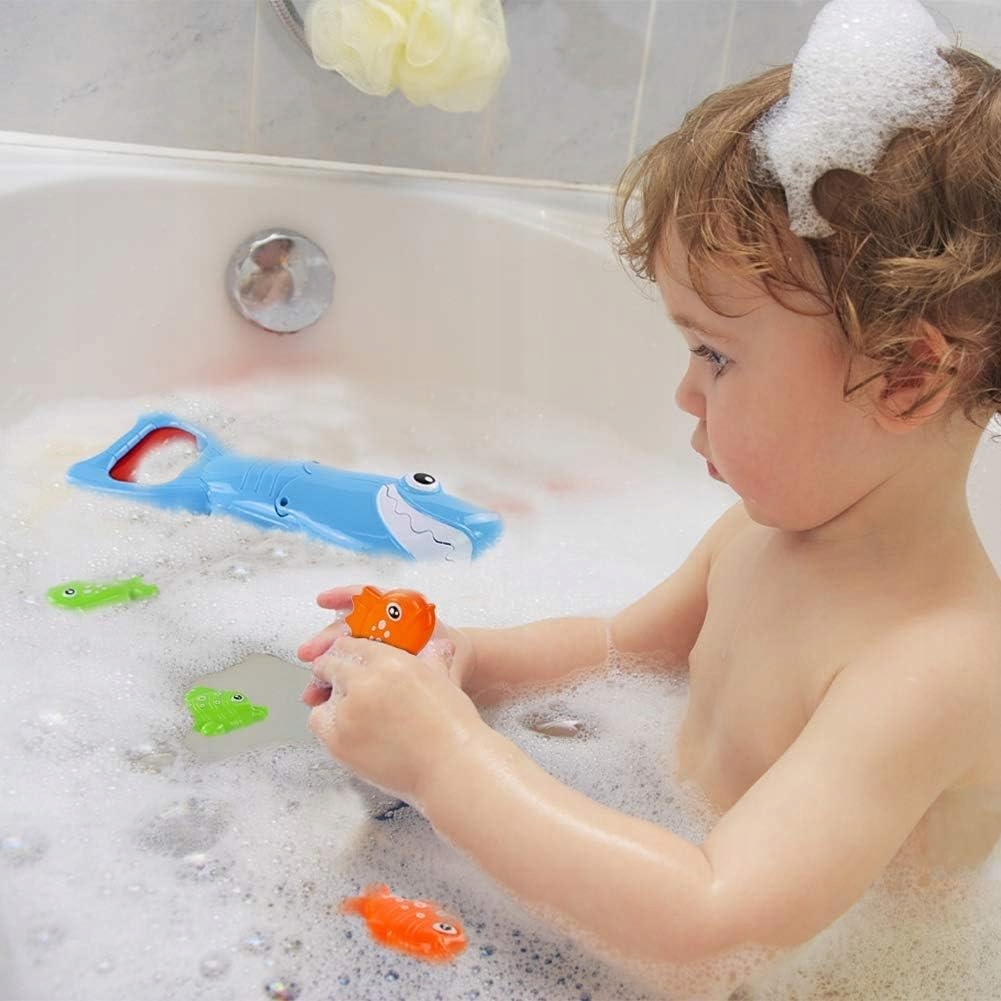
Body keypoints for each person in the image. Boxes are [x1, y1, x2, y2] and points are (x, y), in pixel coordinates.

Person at [295, 43, 1001, 969]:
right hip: (647, 891)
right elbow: (620, 648)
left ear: (905, 376)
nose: (683, 393)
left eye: (716, 356)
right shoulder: (759, 533)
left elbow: (715, 917)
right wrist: (461, 665)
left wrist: (442, 758)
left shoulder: (937, 664)